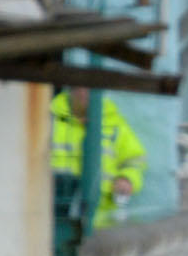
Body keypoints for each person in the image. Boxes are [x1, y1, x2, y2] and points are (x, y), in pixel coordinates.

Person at [50, 89, 144, 226]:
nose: (85, 93)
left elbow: (135, 159)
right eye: (81, 87)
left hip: (100, 220)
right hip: (54, 216)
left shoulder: (115, 125)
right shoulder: (48, 122)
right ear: (70, 88)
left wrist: (127, 178)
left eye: (91, 88)